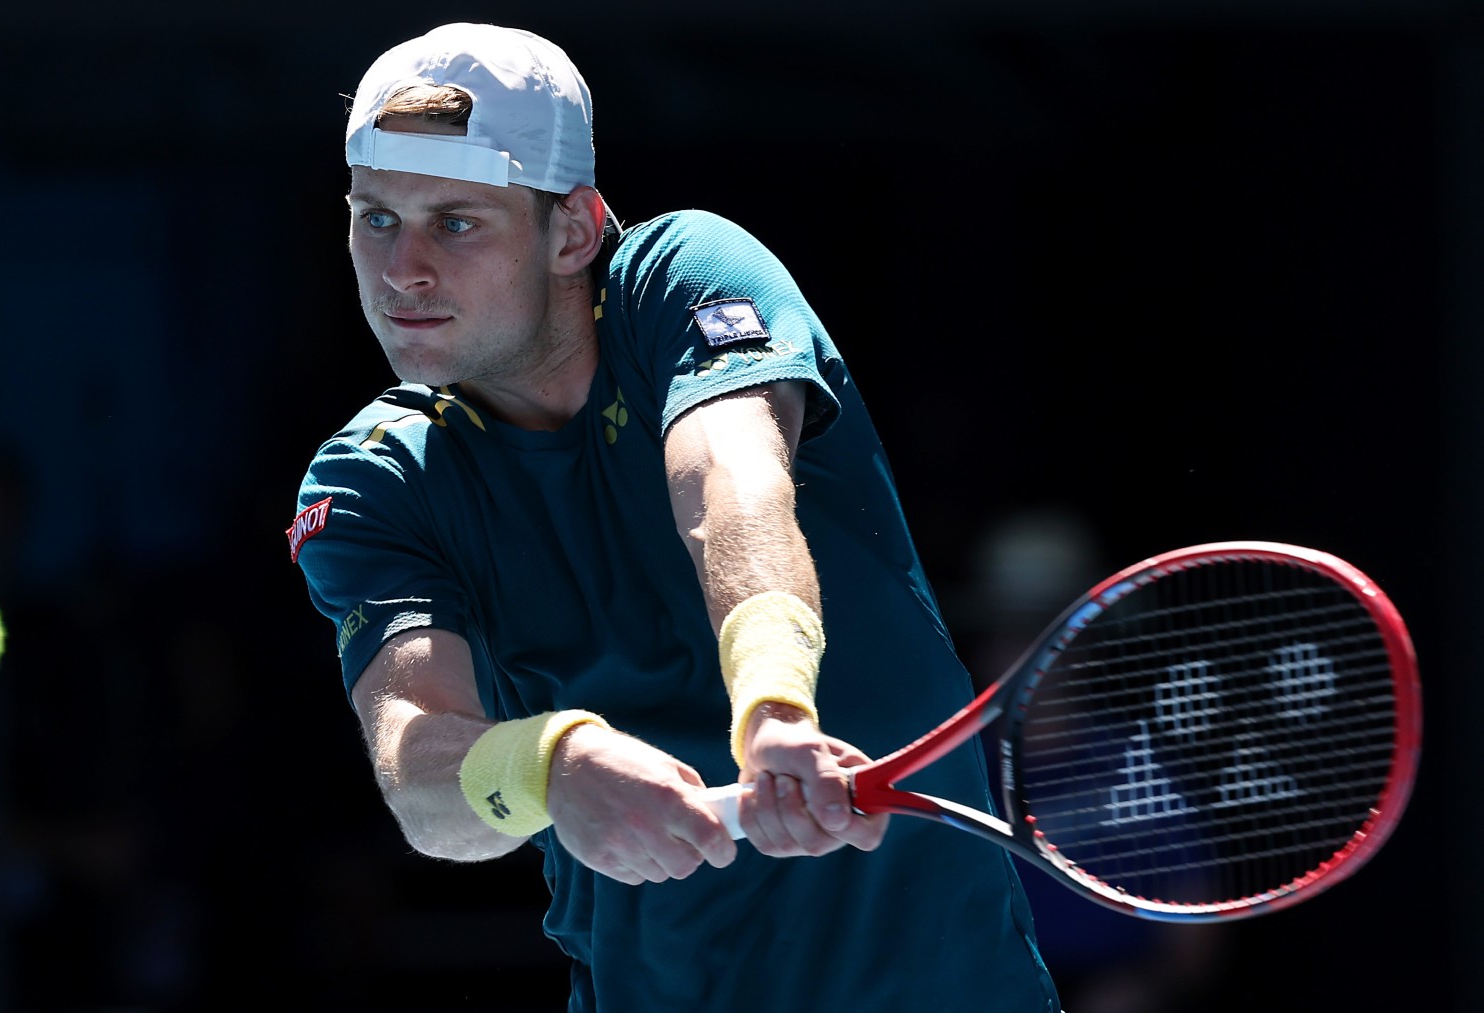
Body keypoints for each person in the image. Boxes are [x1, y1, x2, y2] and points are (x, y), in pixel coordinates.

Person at [292, 22, 1061, 1011]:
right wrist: (551, 764)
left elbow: (731, 482)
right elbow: (418, 766)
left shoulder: (683, 276)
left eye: (457, 221)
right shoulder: (373, 480)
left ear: (571, 231)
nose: (402, 271)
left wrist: (777, 705)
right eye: (377, 218)